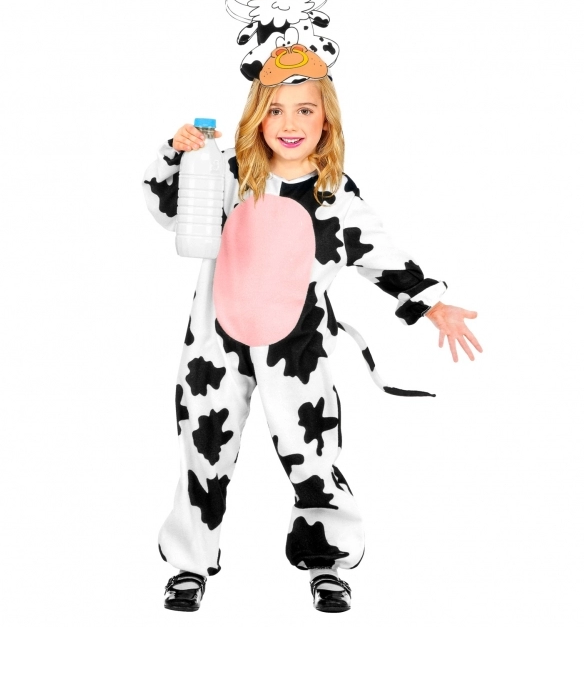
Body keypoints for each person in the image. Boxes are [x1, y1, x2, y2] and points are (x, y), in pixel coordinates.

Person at [142, 77, 482, 613]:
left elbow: (380, 252)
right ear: (257, 118)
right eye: (275, 111)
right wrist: (176, 152)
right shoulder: (228, 172)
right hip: (215, 342)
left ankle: (326, 560)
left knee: (312, 454)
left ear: (327, 120)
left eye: (305, 110)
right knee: (203, 448)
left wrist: (431, 303)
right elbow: (170, 210)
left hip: (298, 350)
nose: (290, 124)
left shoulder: (334, 193)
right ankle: (189, 563)